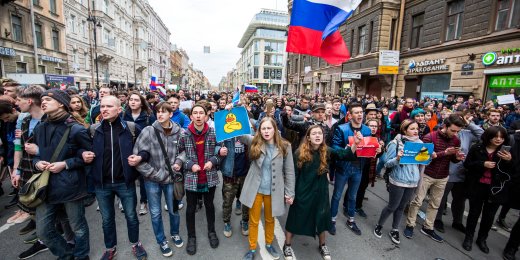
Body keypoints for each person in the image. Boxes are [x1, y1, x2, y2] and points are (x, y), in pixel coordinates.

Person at [84, 96, 147, 260]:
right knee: (107, 220)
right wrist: (83, 154)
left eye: (109, 106)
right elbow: (80, 150)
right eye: (102, 106)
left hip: (124, 182)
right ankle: (110, 248)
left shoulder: (132, 128)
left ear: (119, 110)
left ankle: (136, 244)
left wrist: (140, 157)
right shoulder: (93, 130)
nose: (104, 109)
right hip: (102, 184)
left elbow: (146, 149)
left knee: (131, 216)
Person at [283, 125, 358, 260]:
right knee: (295, 217)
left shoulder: (326, 150)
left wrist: (355, 145)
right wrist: (290, 193)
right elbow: (292, 174)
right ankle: (287, 245)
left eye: (320, 133)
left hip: (321, 191)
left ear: (323, 137)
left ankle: (322, 245)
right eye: (314, 133)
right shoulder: (299, 153)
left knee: (322, 217)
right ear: (308, 137)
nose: (317, 136)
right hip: (303, 191)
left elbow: (343, 154)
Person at [33, 89, 92, 260]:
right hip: (46, 186)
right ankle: (66, 255)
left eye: (47, 100)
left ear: (61, 104)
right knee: (43, 231)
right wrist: (37, 162)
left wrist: (65, 164)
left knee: (77, 226)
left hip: (70, 186)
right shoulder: (40, 127)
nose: (43, 102)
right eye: (41, 99)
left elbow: (89, 156)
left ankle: (81, 256)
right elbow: (36, 153)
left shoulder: (76, 129)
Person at [132, 101, 184, 256]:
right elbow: (137, 157)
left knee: (173, 210)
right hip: (152, 181)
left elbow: (184, 151)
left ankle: (175, 233)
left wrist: (179, 162)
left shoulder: (179, 131)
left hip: (171, 180)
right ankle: (161, 240)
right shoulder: (148, 131)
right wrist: (154, 174)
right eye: (158, 111)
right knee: (155, 213)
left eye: (164, 111)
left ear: (171, 114)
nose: (160, 114)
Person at [239, 117, 295, 260]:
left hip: (274, 191)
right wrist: (232, 111)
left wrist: (290, 193)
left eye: (269, 128)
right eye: (263, 128)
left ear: (275, 129)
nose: (266, 131)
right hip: (256, 189)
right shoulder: (255, 142)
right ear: (259, 130)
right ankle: (252, 248)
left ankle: (269, 244)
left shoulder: (285, 146)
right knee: (254, 220)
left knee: (270, 220)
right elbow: (239, 133)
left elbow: (289, 171)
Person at [404, 114, 466, 242]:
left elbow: (452, 159)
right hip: (426, 174)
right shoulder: (429, 137)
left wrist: (457, 158)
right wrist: (444, 153)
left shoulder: (456, 140)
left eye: (457, 131)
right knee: (417, 201)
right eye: (453, 130)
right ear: (445, 126)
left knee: (435, 204)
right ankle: (410, 225)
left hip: (443, 176)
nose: (455, 134)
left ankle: (428, 227)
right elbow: (421, 158)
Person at [173, 104, 221, 255]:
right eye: (195, 113)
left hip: (209, 177)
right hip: (191, 178)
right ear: (191, 117)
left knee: (209, 205)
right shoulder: (184, 134)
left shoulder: (213, 133)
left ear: (207, 116)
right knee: (190, 208)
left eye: (201, 113)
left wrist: (212, 161)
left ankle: (211, 232)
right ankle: (191, 237)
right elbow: (180, 154)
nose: (199, 116)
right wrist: (189, 165)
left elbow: (219, 152)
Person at [462, 126, 512, 253]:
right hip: (477, 185)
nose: (498, 139)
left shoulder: (506, 152)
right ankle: (469, 237)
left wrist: (508, 161)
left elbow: (512, 171)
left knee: (489, 216)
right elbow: (467, 164)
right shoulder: (477, 148)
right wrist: (482, 164)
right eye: (496, 137)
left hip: (495, 188)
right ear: (489, 136)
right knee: (474, 213)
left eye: (501, 137)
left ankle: (482, 239)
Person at [374, 119, 423, 245]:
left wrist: (428, 157)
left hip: (412, 181)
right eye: (412, 129)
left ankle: (394, 229)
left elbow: (421, 163)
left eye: (417, 128)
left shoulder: (420, 143)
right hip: (398, 180)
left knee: (401, 207)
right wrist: (397, 158)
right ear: (404, 130)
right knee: (392, 206)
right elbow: (387, 163)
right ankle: (379, 225)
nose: (415, 131)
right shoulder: (395, 143)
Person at [434, 112, 483, 234]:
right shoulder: (443, 133)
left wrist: (469, 124)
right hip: (447, 171)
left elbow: (483, 135)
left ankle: (457, 221)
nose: (456, 132)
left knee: (460, 200)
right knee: (441, 198)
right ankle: (438, 219)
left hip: (461, 173)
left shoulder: (467, 134)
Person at [330, 103, 371, 236]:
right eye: (357, 112)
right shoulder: (341, 129)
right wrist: (349, 147)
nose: (360, 114)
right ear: (350, 115)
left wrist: (377, 149)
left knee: (353, 196)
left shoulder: (367, 130)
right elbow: (334, 148)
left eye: (361, 112)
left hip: (358, 168)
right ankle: (332, 220)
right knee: (336, 195)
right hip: (343, 168)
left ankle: (351, 220)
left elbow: (368, 149)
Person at [123, 91, 157, 215]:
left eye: (136, 100)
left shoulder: (149, 116)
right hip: (127, 149)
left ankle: (144, 202)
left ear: (142, 103)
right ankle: (126, 202)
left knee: (143, 178)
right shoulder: (124, 115)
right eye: (131, 99)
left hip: (144, 150)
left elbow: (154, 133)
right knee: (127, 176)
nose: (133, 102)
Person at [216, 131, 251, 238]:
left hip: (246, 173)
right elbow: (213, 146)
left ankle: (245, 221)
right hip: (230, 174)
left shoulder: (247, 130)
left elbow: (256, 142)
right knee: (227, 200)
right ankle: (227, 223)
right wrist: (219, 150)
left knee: (246, 201)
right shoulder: (224, 131)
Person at [354, 119, 384, 218]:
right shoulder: (360, 136)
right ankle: (349, 205)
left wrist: (380, 151)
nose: (373, 128)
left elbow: (378, 156)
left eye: (375, 126)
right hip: (358, 166)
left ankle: (358, 206)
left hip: (369, 167)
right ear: (366, 126)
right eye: (371, 126)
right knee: (353, 186)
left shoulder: (378, 139)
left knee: (362, 187)